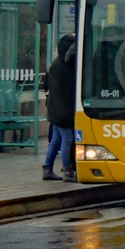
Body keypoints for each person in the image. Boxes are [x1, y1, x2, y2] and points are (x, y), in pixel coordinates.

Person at [43, 34, 77, 182]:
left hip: (57, 110)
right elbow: (59, 93)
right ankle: (68, 171)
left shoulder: (57, 64)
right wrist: (64, 114)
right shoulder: (60, 66)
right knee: (67, 138)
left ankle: (48, 169)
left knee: (56, 139)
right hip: (61, 111)